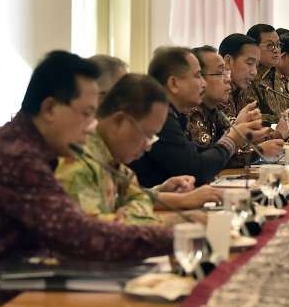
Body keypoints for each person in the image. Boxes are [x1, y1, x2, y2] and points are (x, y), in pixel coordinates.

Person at [0, 51, 172, 261]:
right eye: (86, 113)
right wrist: (177, 237)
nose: (92, 127)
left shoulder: (27, 148)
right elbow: (79, 235)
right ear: (50, 108)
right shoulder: (17, 157)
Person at [56, 73, 223, 225]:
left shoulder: (110, 157)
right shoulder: (79, 162)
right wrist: (176, 220)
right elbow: (95, 230)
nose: (149, 146)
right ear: (119, 121)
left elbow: (138, 197)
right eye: (148, 134)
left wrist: (162, 192)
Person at [129, 47, 267, 187]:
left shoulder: (178, 114)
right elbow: (196, 170)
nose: (203, 83)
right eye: (198, 76)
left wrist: (237, 135)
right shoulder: (160, 117)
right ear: (174, 83)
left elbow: (199, 155)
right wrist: (233, 138)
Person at [190, 45, 284, 164]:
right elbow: (207, 162)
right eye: (220, 73)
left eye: (226, 72)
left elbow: (237, 147)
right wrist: (258, 152)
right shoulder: (192, 112)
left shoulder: (214, 111)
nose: (228, 79)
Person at [216, 34, 289, 142]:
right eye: (249, 63)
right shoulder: (219, 93)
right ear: (227, 61)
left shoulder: (240, 89)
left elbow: (251, 131)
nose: (254, 72)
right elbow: (237, 143)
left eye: (256, 65)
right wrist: (278, 133)